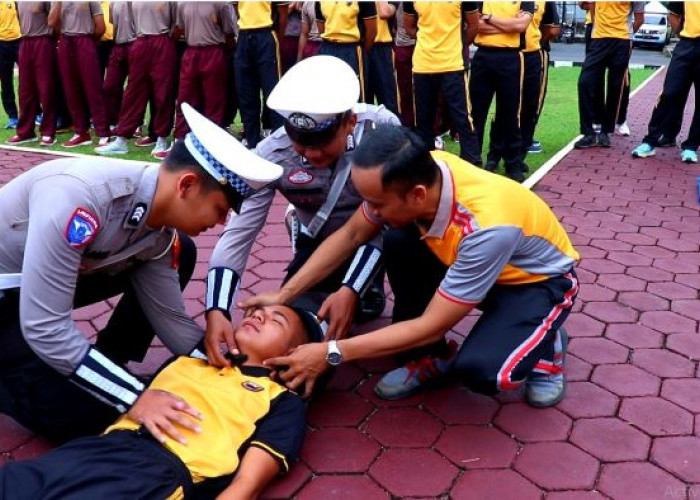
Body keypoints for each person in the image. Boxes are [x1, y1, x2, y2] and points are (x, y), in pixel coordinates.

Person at [0, 103, 283, 443]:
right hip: (11, 300)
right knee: (85, 417)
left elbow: (166, 314)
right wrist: (135, 397)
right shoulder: (78, 202)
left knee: (183, 251)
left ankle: (109, 359)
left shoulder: (156, 225)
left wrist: (227, 364)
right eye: (220, 209)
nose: (220, 223)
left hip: (43, 286)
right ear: (188, 185)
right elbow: (45, 327)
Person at [244, 126, 580, 407]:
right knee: (399, 240)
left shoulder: (486, 227)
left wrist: (331, 353)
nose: (370, 211)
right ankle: (434, 356)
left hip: (535, 282)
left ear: (417, 195)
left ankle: (547, 341)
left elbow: (431, 323)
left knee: (484, 372)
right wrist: (284, 294)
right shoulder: (419, 170)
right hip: (472, 264)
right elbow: (351, 234)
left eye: (376, 203)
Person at [0, 304, 325, 500]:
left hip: (154, 474)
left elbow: (246, 486)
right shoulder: (188, 362)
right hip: (95, 448)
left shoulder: (280, 400)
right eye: (257, 311)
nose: (259, 316)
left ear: (293, 355)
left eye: (276, 321)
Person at [204, 55, 399, 369]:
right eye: (301, 144)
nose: (311, 153)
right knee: (294, 313)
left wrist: (351, 288)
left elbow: (391, 219)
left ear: (349, 122)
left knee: (389, 257)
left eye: (322, 143)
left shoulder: (381, 131)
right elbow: (238, 234)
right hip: (321, 241)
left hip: (379, 235)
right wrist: (217, 308)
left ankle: (370, 288)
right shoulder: (271, 155)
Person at [95, 2, 178, 158]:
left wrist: (165, 42)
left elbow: (176, 25)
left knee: (163, 93)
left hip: (162, 40)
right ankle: (122, 139)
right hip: (140, 42)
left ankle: (161, 138)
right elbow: (131, 22)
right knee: (133, 92)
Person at [403, 1, 481, 166]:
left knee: (463, 119)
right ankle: (426, 166)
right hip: (423, 65)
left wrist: (454, 46)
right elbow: (408, 27)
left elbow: (474, 25)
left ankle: (472, 164)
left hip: (452, 65)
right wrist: (430, 41)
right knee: (423, 121)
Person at [486, 1, 560, 165]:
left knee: (530, 108)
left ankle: (518, 156)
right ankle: (495, 153)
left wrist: (535, 40)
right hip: (508, 54)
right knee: (504, 107)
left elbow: (553, 29)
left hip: (533, 56)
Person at [469, 1, 534, 181]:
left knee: (510, 114)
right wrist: (508, 26)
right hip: (482, 57)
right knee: (476, 113)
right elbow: (476, 25)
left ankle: (512, 163)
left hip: (511, 58)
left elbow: (521, 26)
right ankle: (473, 160)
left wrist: (490, 18)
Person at [632, 2, 700, 164]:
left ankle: (691, 147)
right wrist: (682, 34)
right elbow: (673, 14)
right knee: (670, 93)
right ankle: (650, 141)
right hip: (687, 45)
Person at [574, 2, 643, 149]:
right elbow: (589, 7)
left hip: (622, 41)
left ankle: (606, 131)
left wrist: (627, 36)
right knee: (584, 82)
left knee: (615, 87)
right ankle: (588, 133)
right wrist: (597, 30)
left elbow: (639, 18)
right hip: (599, 39)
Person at [48, 1, 111, 148]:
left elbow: (100, 27)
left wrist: (88, 42)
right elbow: (51, 23)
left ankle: (103, 132)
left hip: (84, 40)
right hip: (65, 41)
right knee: (71, 90)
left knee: (93, 88)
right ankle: (81, 131)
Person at [172, 2, 236, 141]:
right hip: (191, 51)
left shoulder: (220, 4)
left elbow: (229, 33)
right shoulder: (182, 4)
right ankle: (181, 139)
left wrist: (224, 53)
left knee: (214, 100)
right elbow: (180, 28)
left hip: (213, 50)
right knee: (185, 98)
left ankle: (211, 141)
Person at [234, 1, 288, 149]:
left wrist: (276, 40)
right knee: (245, 91)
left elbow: (283, 13)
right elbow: (236, 8)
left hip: (266, 34)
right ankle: (252, 142)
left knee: (272, 90)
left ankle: (278, 140)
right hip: (244, 35)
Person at [7, 2, 58, 147]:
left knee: (46, 89)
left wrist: (49, 41)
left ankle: (48, 132)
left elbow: (55, 23)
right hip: (25, 42)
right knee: (25, 91)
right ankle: (26, 132)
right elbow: (19, 17)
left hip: (43, 41)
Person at [315, 1, 377, 103]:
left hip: (351, 50)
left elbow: (372, 31)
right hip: (327, 48)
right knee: (328, 94)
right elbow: (321, 27)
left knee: (355, 96)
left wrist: (362, 51)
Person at [366, 1, 399, 117]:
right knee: (363, 101)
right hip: (359, 46)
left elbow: (383, 12)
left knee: (388, 100)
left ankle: (392, 133)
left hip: (381, 47)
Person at [0, 1, 20, 129]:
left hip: (18, 42)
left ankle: (37, 113)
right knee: (6, 83)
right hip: (0, 45)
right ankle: (12, 117)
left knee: (29, 81)